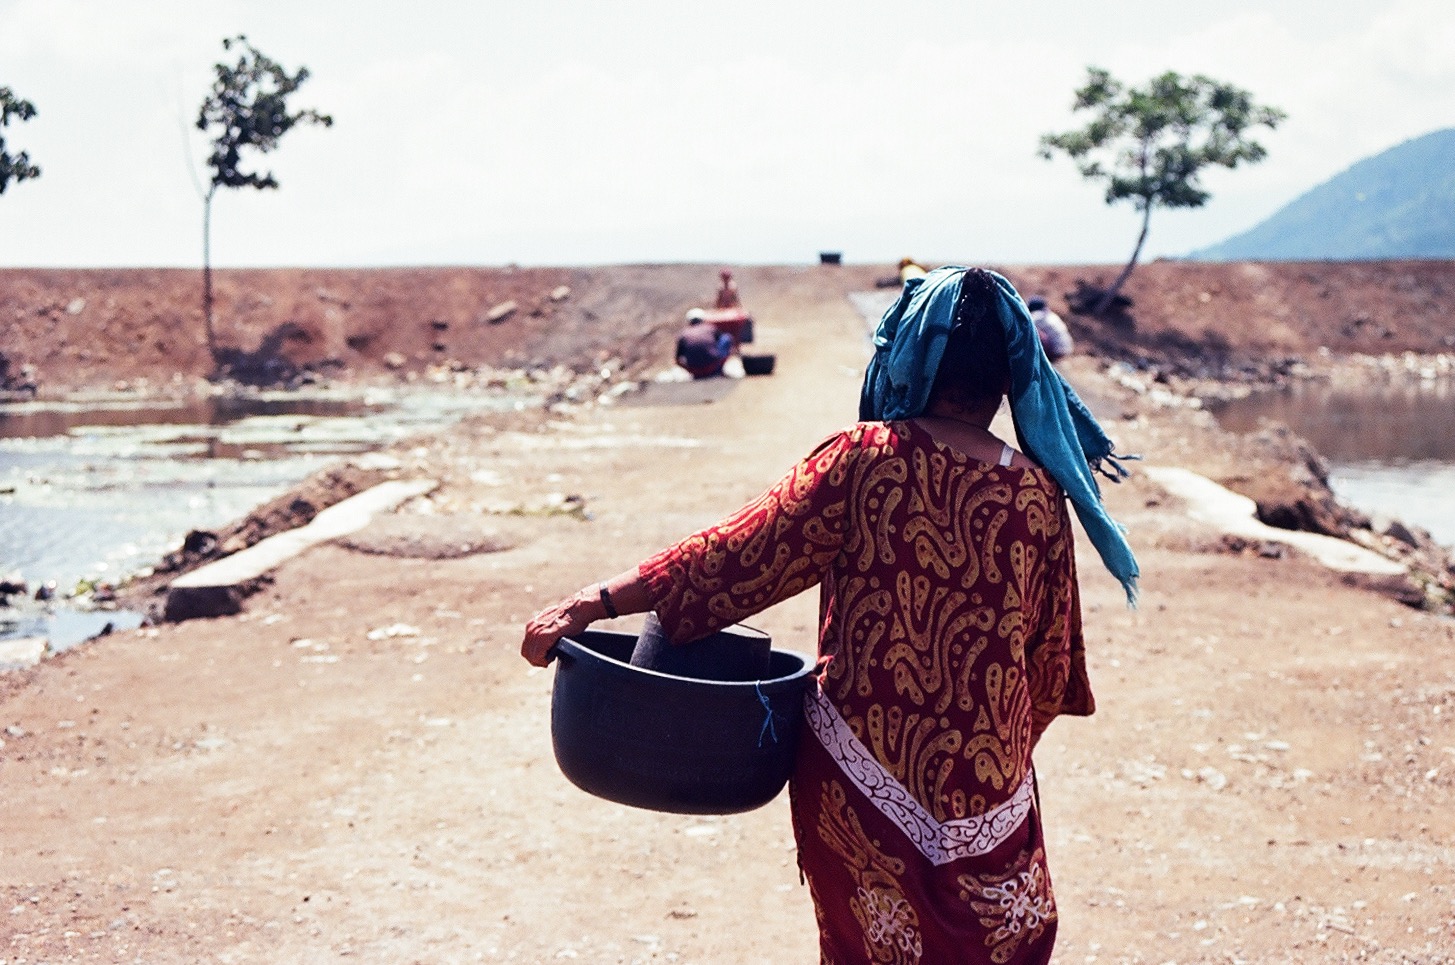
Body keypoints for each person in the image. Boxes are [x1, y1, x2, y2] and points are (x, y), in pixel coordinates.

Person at [522, 267, 1138, 964]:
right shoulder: (1036, 492)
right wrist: (976, 761)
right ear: (1008, 376)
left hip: (855, 782)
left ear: (905, 359)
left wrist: (591, 603)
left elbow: (728, 558)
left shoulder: (861, 462)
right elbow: (1049, 667)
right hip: (992, 807)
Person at [675, 308, 734, 378]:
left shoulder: (683, 334)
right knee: (726, 338)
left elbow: (677, 359)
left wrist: (689, 368)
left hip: (694, 370)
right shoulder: (710, 328)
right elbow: (721, 341)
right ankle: (719, 367)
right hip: (713, 366)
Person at [1027, 295, 1074, 362]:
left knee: (1033, 332)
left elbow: (1027, 328)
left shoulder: (1037, 316)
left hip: (1056, 351)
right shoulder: (1051, 315)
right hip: (1067, 348)